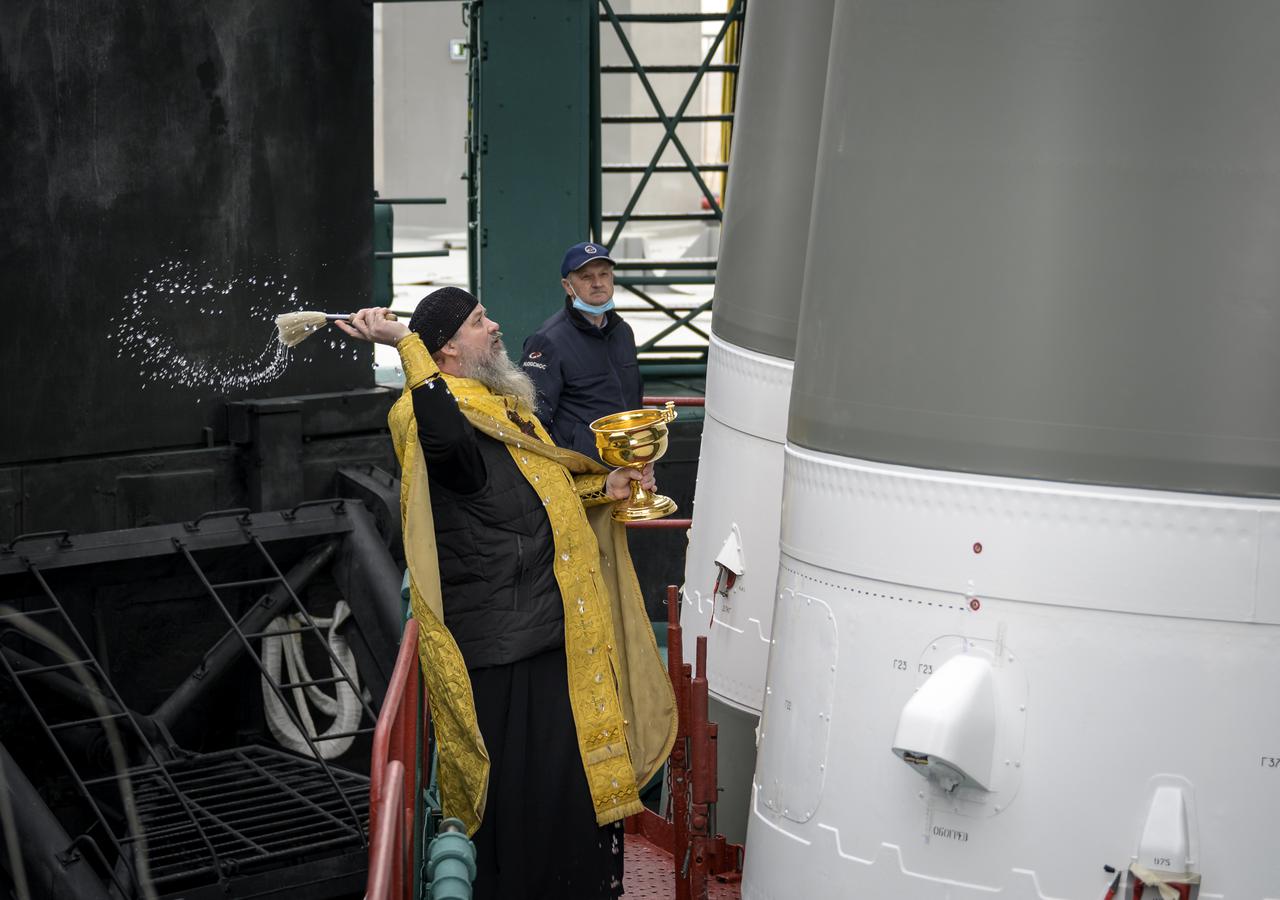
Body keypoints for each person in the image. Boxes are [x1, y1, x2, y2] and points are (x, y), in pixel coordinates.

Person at [336, 291, 676, 900]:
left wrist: (609, 487)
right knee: (521, 811)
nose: (495, 327)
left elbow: (529, 498)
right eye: (476, 322)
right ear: (446, 348)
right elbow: (447, 450)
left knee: (562, 796)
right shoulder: (431, 414)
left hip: (544, 630)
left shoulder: (497, 409)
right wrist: (402, 346)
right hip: (501, 646)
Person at [521, 241, 643, 461]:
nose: (598, 283)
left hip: (628, 463)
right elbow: (532, 420)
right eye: (586, 277)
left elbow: (633, 399)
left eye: (604, 274)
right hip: (584, 473)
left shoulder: (623, 332)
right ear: (568, 286)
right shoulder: (547, 341)